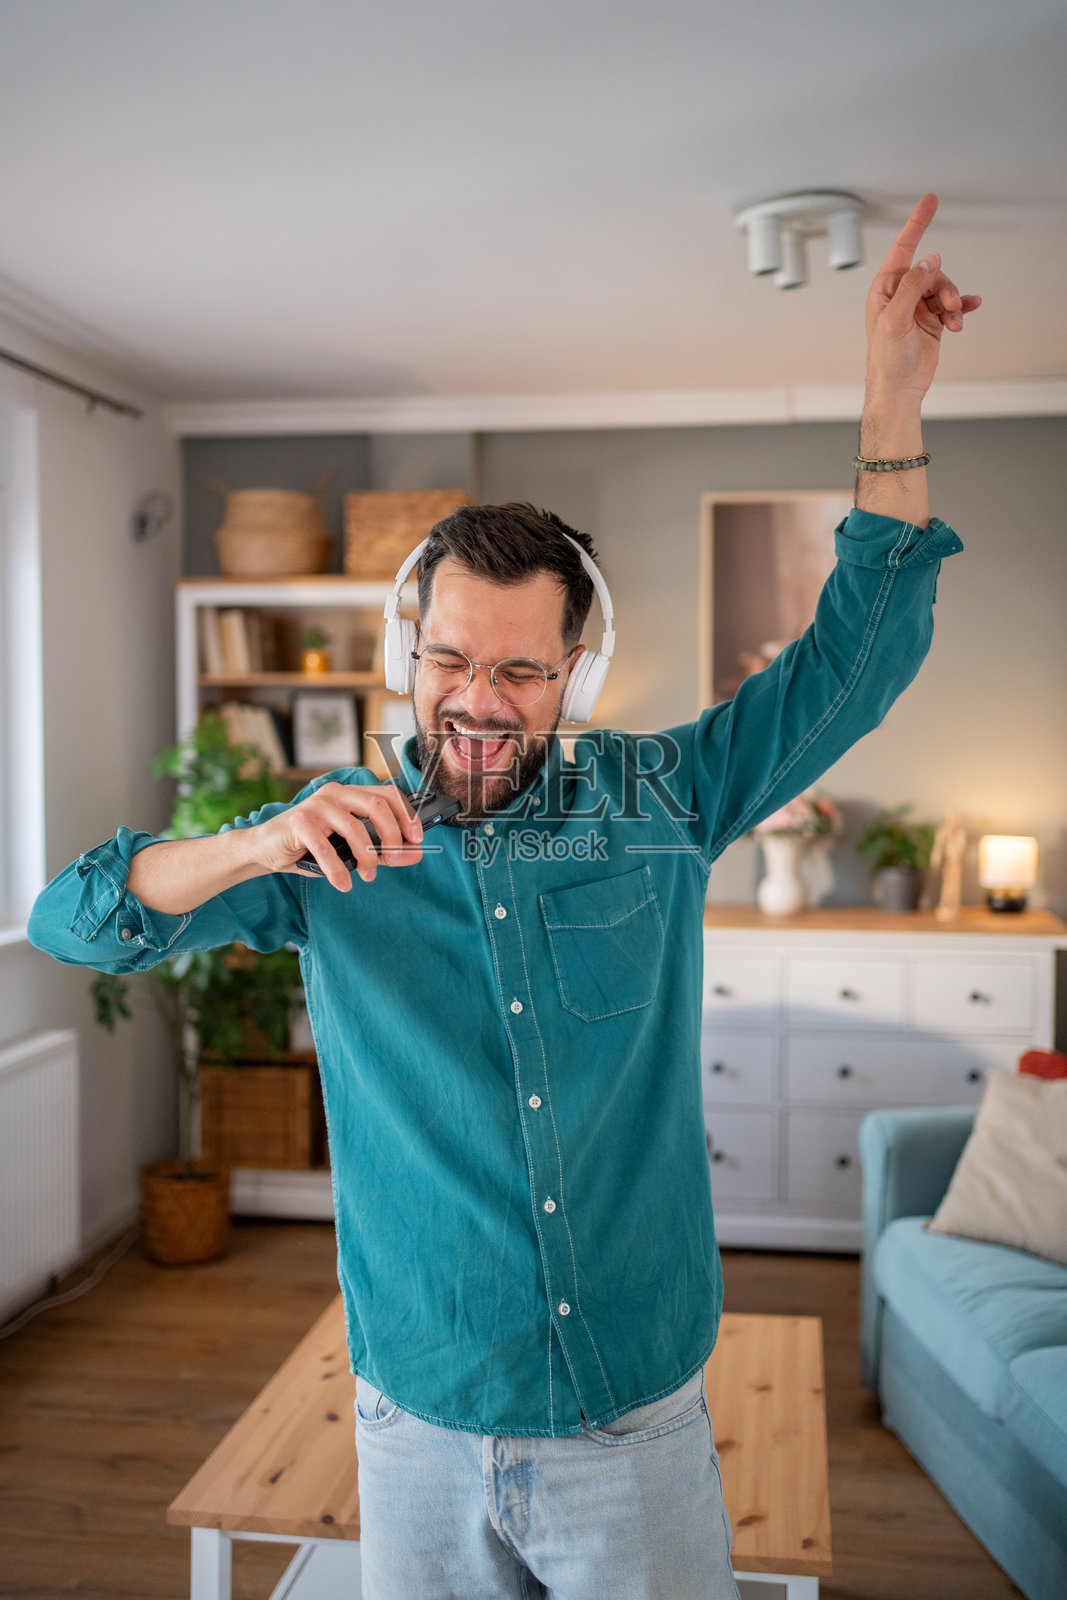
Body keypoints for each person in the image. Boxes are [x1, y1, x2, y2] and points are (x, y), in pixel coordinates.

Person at [29, 193, 979, 1600]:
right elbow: (76, 919)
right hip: (418, 1417)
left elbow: (865, 649)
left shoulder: (664, 798)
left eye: (523, 672)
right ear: (410, 655)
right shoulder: (322, 850)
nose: (479, 703)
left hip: (632, 1412)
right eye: (453, 662)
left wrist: (890, 398)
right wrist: (254, 841)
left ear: (575, 680)